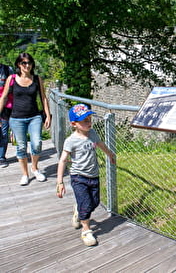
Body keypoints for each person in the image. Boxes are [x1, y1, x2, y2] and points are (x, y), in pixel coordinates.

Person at [56, 103, 116, 246]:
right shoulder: (71, 141)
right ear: (74, 124)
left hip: (93, 175)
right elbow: (63, 160)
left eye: (89, 119)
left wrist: (109, 154)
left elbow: (101, 144)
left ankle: (79, 210)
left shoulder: (93, 134)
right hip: (78, 177)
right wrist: (59, 182)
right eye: (85, 121)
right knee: (86, 203)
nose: (89, 123)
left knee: (94, 202)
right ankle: (86, 230)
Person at [0, 52, 51, 185]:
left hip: (34, 117)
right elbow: (4, 97)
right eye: (24, 63)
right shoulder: (11, 79)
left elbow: (43, 98)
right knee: (21, 146)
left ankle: (34, 168)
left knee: (37, 143)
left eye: (29, 63)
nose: (27, 65)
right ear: (18, 64)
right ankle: (25, 174)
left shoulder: (37, 79)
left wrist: (48, 115)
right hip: (16, 118)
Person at [0, 61, 14, 168]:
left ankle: (1, 157)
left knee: (3, 132)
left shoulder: (7, 69)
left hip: (5, 106)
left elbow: (14, 87)